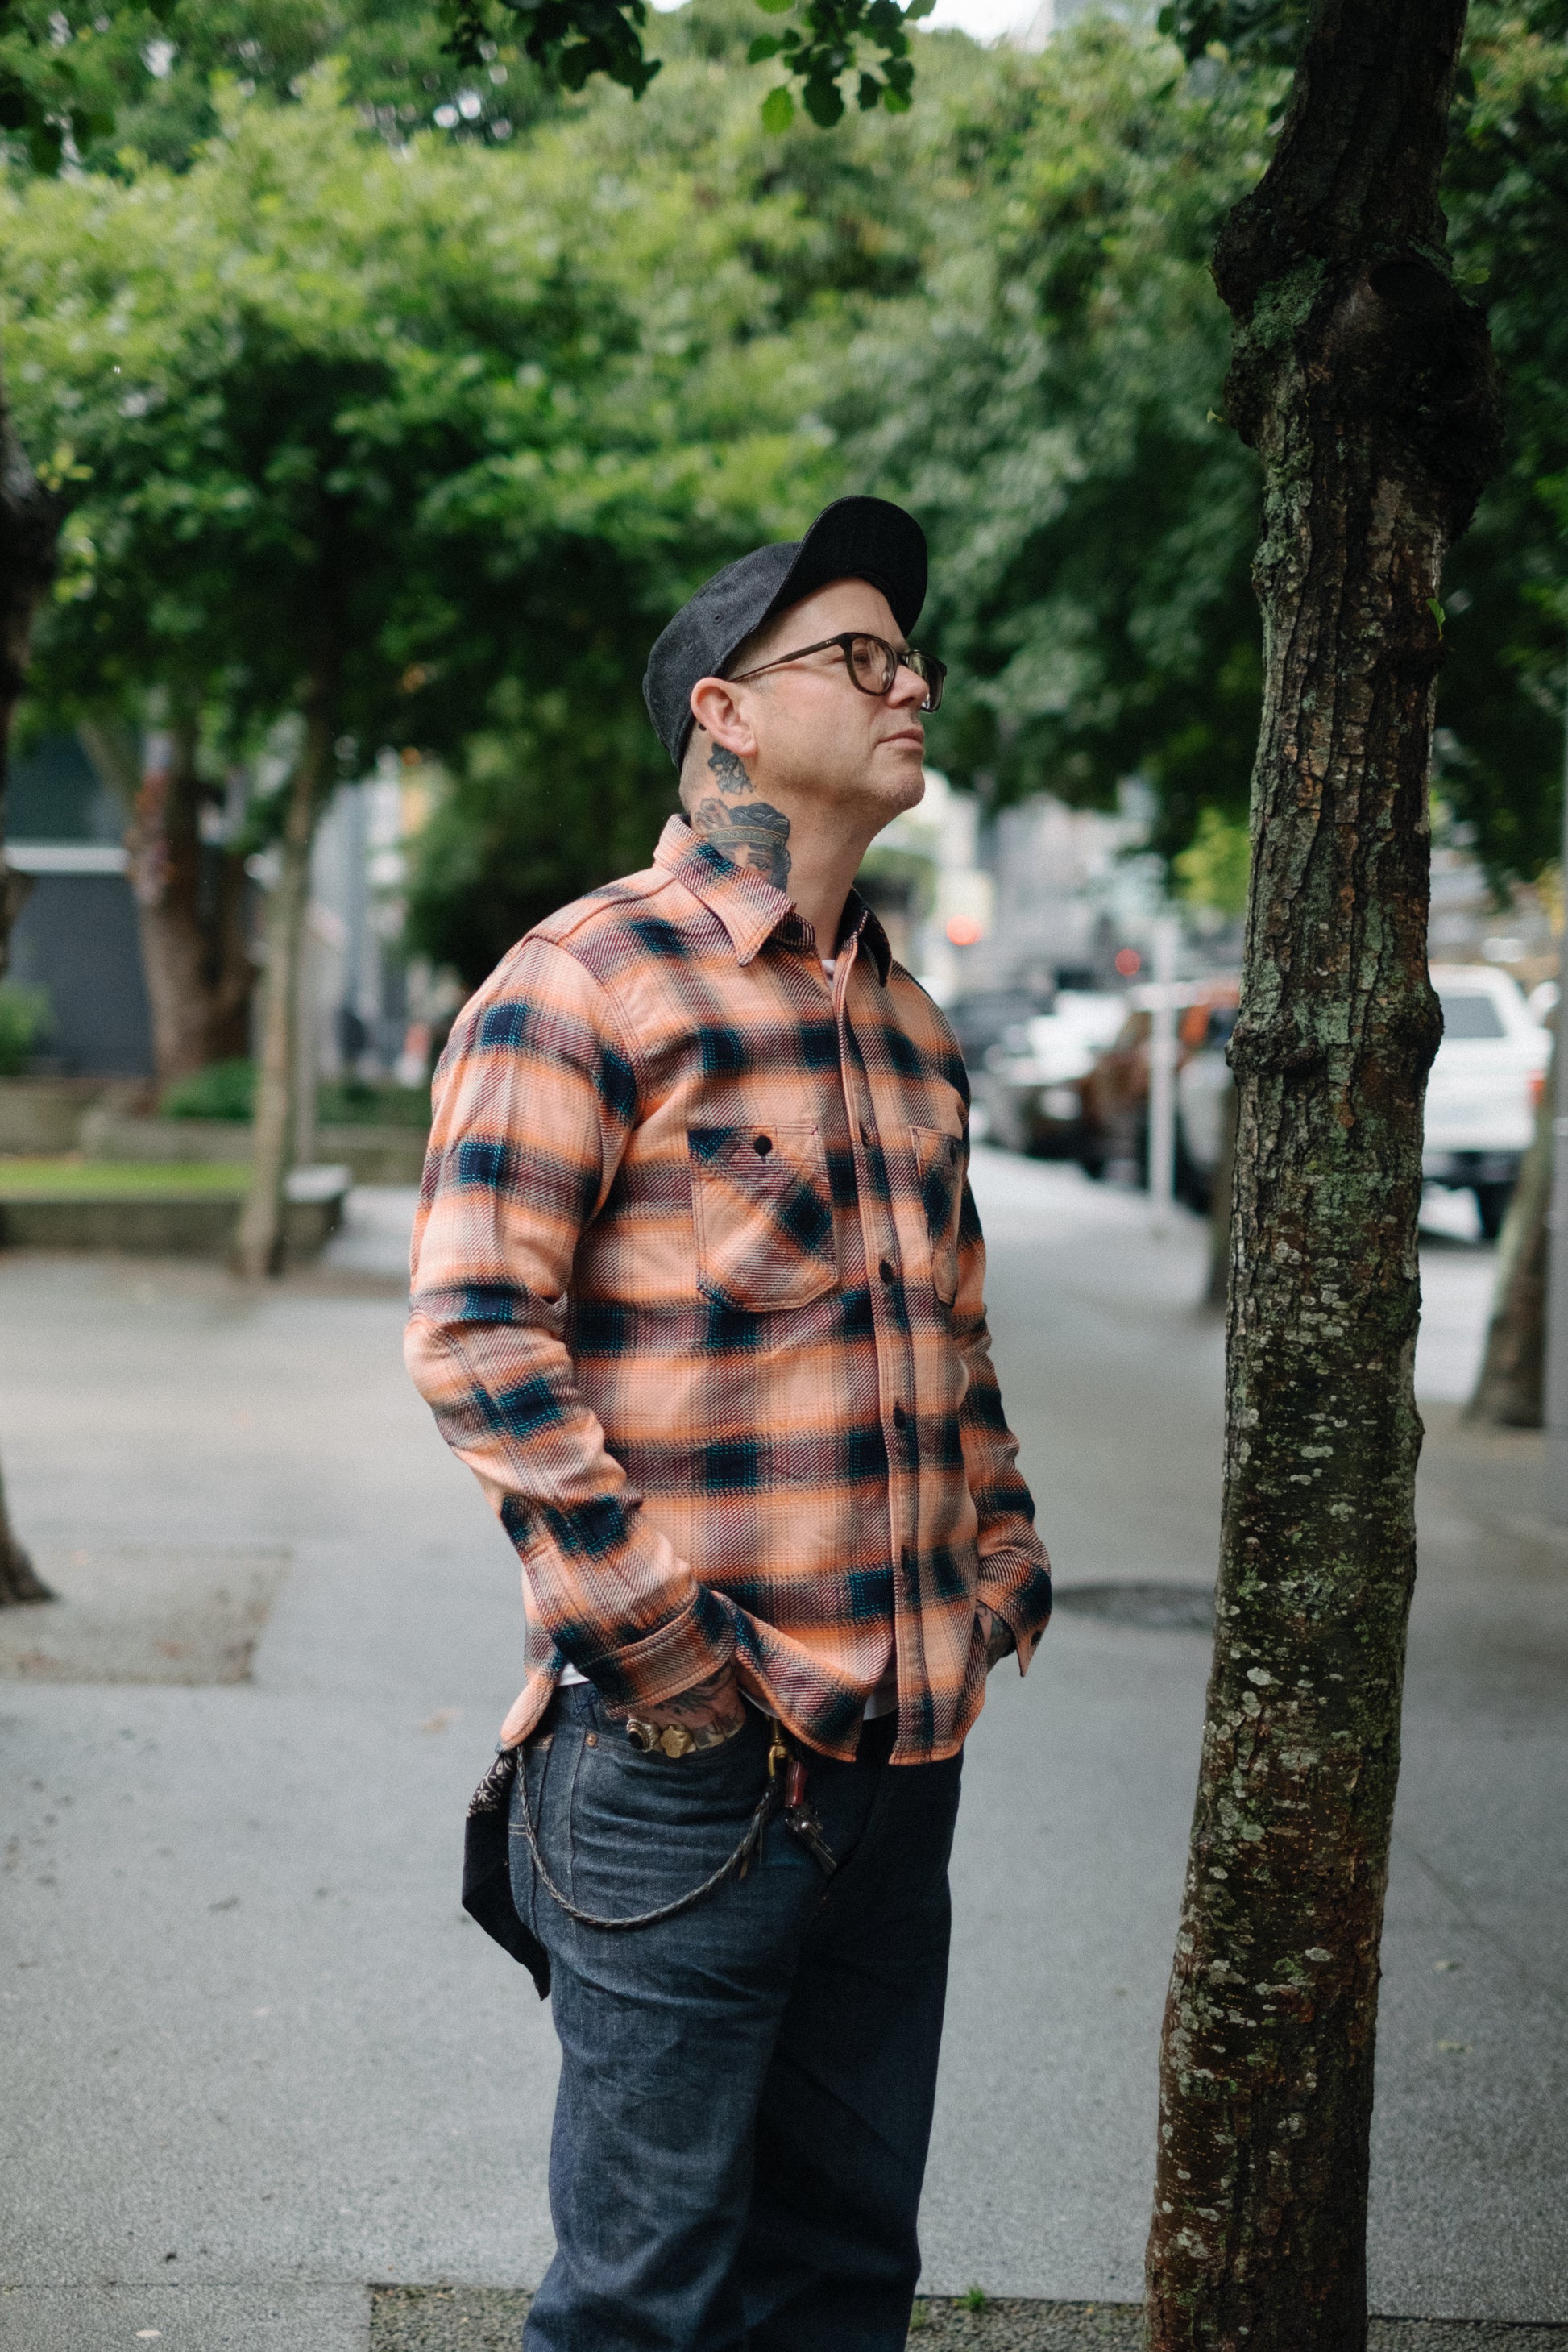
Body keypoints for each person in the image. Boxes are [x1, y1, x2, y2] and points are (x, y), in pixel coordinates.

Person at [405, 495, 1052, 2352]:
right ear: (726, 714)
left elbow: (953, 1334)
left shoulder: (907, 1027)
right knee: (642, 2299)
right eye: (860, 654)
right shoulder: (585, 978)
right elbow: (474, 1331)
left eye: (913, 657)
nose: (911, 682)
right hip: (686, 1767)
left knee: (842, 2279)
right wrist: (663, 1652)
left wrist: (998, 1570)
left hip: (900, 1767)